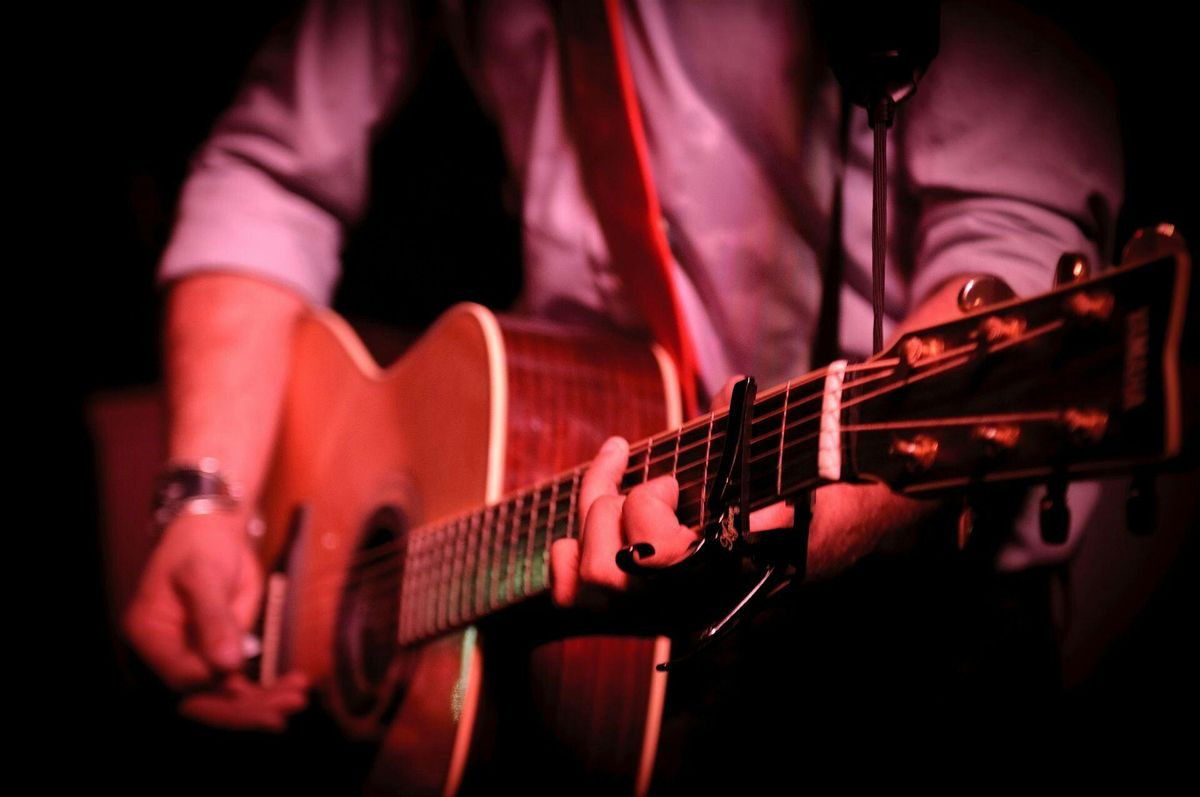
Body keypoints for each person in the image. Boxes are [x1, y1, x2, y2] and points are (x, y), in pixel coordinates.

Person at [123, 0, 1121, 784]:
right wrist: (204, 497)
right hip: (562, 528)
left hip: (908, 634)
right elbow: (268, 173)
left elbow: (1013, 251)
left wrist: (770, 537)